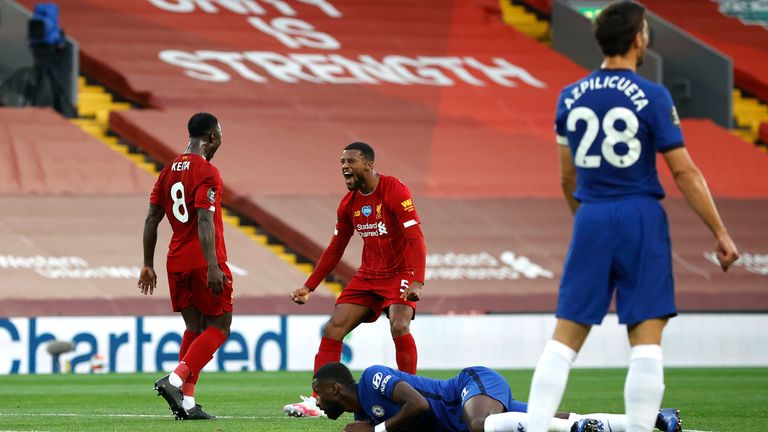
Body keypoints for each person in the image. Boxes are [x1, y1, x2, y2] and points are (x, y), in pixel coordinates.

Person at [525, 2, 741, 432]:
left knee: (565, 337)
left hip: (591, 215)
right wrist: (720, 231)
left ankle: (532, 428)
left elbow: (567, 177)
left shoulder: (569, 96)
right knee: (646, 337)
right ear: (639, 37)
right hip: (640, 216)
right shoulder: (654, 97)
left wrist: (586, 223)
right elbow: (683, 170)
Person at [285, 142, 427, 417]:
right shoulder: (348, 204)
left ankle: (410, 393)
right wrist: (309, 286)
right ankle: (318, 401)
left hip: (400, 272)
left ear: (369, 165)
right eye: (341, 162)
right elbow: (335, 248)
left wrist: (417, 281)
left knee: (399, 325)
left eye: (350, 162)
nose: (344, 167)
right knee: (333, 328)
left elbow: (415, 237)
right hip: (367, 276)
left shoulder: (394, 190)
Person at [138, 112, 232, 420]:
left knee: (195, 328)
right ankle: (175, 380)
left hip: (174, 260)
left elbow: (152, 218)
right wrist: (213, 265)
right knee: (220, 327)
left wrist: (147, 265)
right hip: (202, 261)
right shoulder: (207, 171)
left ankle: (187, 404)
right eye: (219, 137)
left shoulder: (167, 171)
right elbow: (205, 220)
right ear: (212, 137)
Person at [312, 362, 681, 432]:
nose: (315, 402)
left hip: (471, 386)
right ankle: (654, 420)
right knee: (555, 422)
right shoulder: (371, 416)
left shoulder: (374, 378)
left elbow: (420, 404)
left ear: (334, 389)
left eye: (317, 394)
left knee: (481, 426)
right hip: (472, 413)